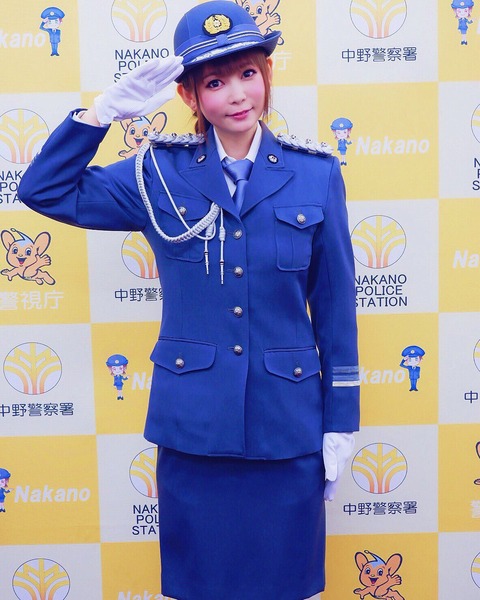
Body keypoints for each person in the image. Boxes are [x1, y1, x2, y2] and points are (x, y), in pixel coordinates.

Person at [19, 2, 360, 598]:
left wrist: (341, 424)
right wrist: (100, 115)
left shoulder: (316, 174)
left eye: (248, 73)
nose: (238, 94)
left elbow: (334, 309)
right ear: (189, 95)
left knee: (284, 583)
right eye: (215, 82)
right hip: (195, 428)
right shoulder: (158, 173)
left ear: (267, 75)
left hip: (287, 427)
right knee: (200, 584)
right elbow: (44, 191)